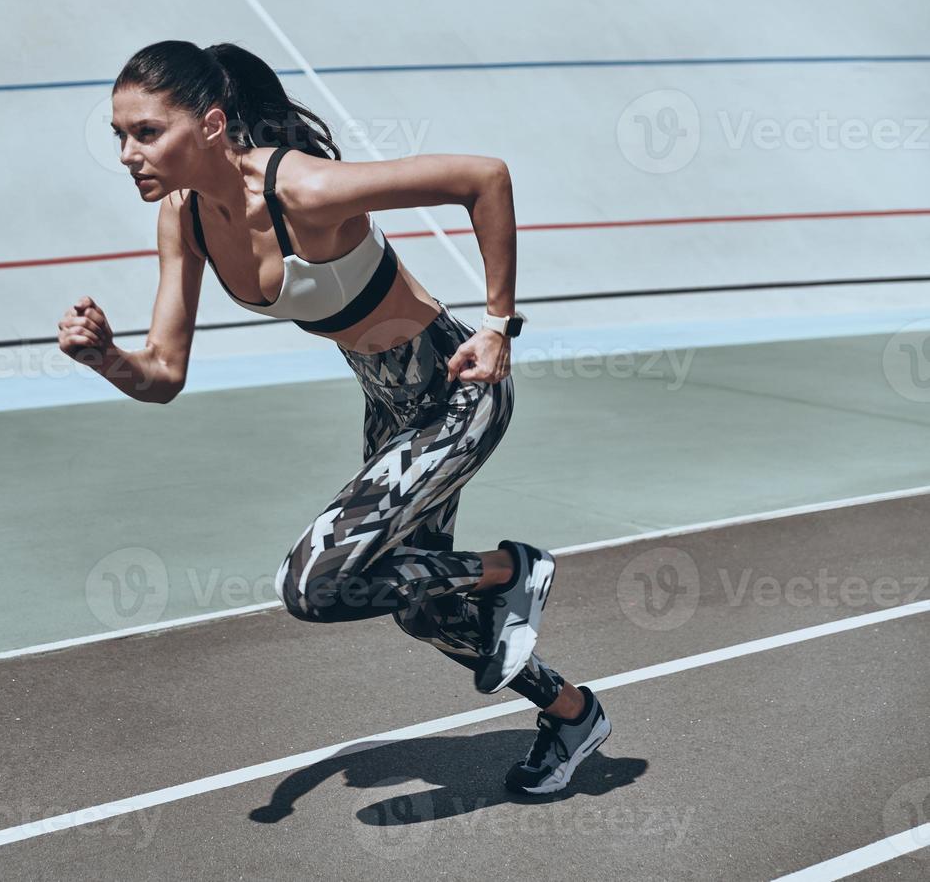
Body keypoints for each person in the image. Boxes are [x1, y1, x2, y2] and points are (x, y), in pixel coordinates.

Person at [58, 39, 610, 794]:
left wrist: (497, 326)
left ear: (211, 125)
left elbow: (484, 178)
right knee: (420, 610)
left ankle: (512, 569)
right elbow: (162, 377)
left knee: (312, 586)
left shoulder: (303, 190)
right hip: (389, 406)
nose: (126, 153)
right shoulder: (183, 222)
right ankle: (572, 714)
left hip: (456, 390)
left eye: (146, 132)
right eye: (117, 136)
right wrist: (105, 358)